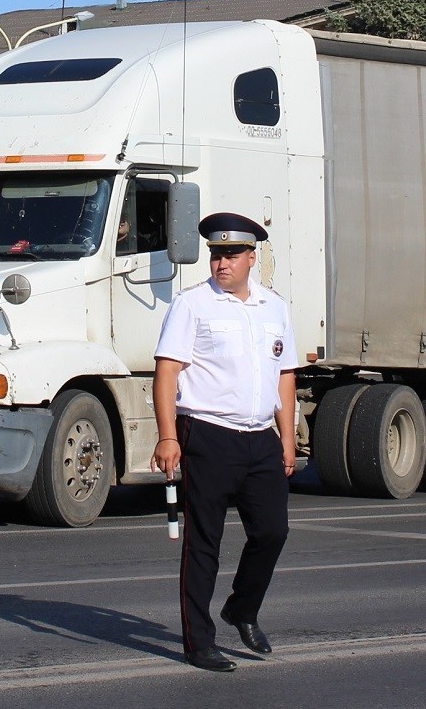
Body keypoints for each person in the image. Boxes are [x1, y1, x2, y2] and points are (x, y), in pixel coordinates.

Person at [150, 212, 299, 672]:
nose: (222, 263)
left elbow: (285, 376)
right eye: (216, 254)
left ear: (252, 257)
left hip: (259, 439)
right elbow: (167, 371)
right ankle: (199, 642)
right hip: (208, 436)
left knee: (273, 532)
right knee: (203, 545)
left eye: (232, 254)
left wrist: (288, 441)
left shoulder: (274, 307)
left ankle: (242, 609)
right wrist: (167, 436)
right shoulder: (193, 304)